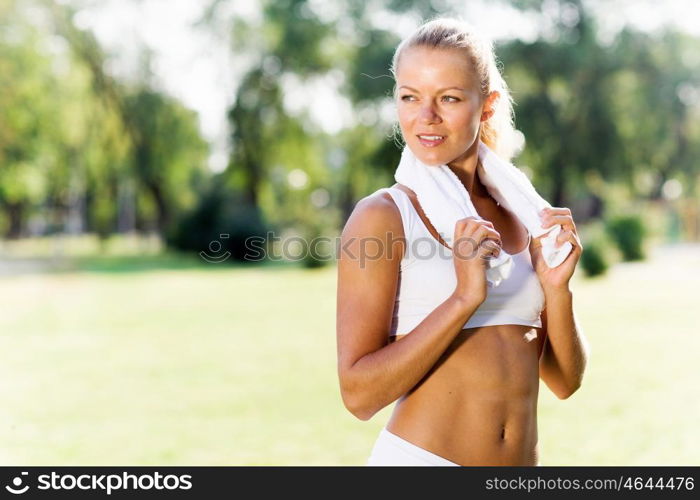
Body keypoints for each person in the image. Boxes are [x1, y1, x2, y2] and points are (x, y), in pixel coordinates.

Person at [335, 17, 590, 466]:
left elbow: (566, 382)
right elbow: (358, 396)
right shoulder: (384, 216)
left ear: (486, 106)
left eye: (448, 98)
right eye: (409, 97)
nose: (425, 118)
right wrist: (464, 297)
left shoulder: (525, 212)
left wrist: (556, 289)